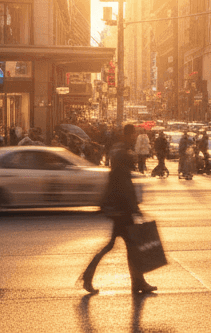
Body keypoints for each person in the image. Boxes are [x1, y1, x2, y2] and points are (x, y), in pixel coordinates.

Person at [81, 123, 157, 295]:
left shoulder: (119, 153)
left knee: (122, 247)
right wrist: (134, 208)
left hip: (120, 212)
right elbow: (124, 189)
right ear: (129, 134)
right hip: (123, 213)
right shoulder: (122, 157)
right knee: (129, 248)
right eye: (133, 134)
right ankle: (137, 282)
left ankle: (137, 282)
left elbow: (118, 186)